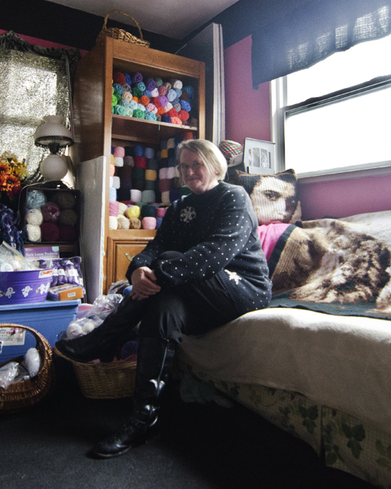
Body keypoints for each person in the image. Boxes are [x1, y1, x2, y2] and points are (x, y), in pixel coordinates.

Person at [56, 138, 272, 458]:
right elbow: (156, 247)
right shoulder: (180, 206)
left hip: (242, 289)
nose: (189, 171)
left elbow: (215, 253)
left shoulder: (233, 196)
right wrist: (137, 271)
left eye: (196, 164)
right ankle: (144, 419)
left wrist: (157, 273)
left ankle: (106, 336)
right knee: (163, 305)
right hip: (192, 287)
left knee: (169, 264)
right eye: (183, 166)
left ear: (214, 166)